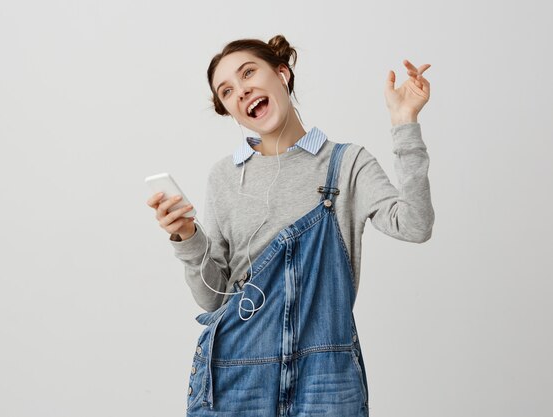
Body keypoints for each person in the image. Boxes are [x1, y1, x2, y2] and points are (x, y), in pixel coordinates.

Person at [146, 34, 434, 416]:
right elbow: (213, 299)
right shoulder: (225, 177)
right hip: (236, 373)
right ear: (230, 110)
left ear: (282, 74)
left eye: (249, 72)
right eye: (227, 91)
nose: (242, 90)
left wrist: (404, 123)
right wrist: (185, 236)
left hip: (325, 377)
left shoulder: (346, 164)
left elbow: (414, 225)